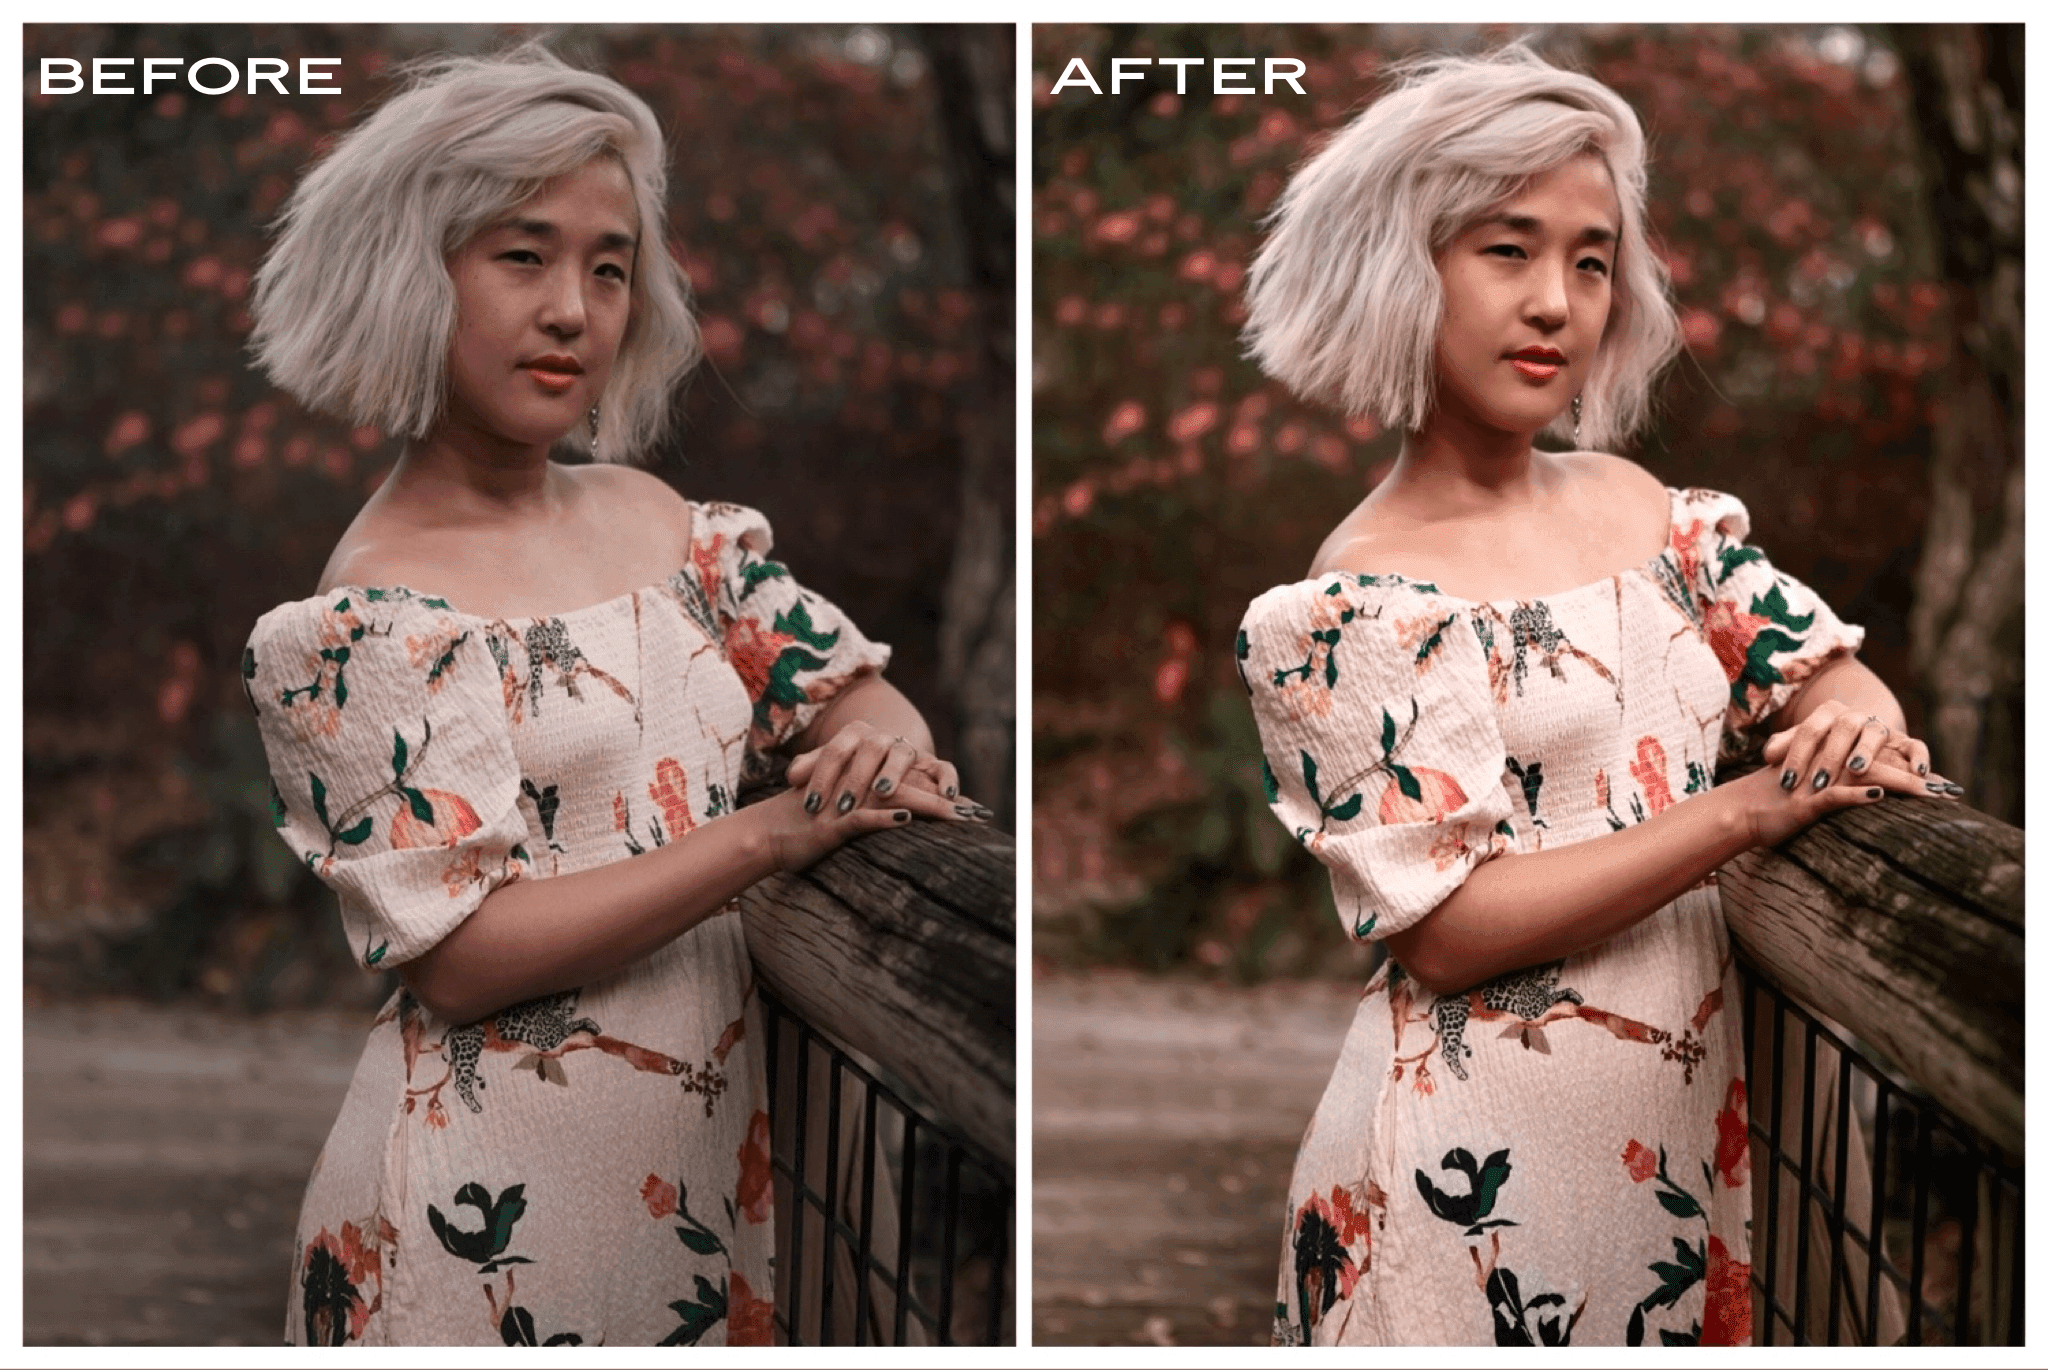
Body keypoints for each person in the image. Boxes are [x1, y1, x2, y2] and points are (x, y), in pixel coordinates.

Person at [242, 44, 985, 1346]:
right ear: (413, 273)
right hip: (486, 1215)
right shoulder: (364, 613)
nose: (575, 310)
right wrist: (768, 834)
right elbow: (465, 958)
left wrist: (873, 753)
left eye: (608, 264)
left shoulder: (673, 528)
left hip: (715, 1179)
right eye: (522, 256)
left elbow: (861, 697)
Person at [1234, 45, 1957, 1347]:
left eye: (1589, 257)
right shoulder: (1350, 600)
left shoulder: (1655, 514)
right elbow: (1449, 928)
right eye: (1507, 250)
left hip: (1698, 1144)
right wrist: (1749, 811)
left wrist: (1856, 714)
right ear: (1403, 266)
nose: (1559, 302)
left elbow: (1824, 666)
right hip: (1477, 1188)